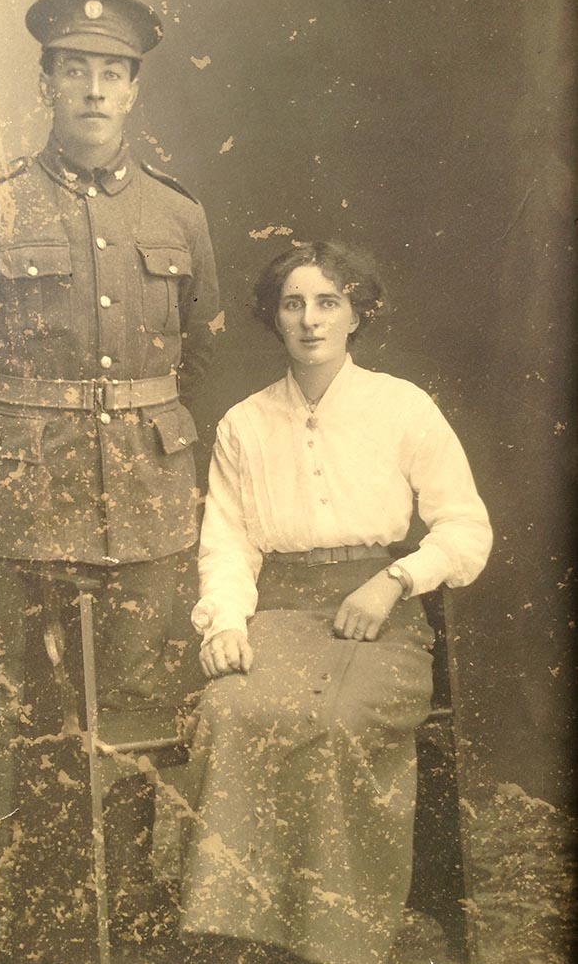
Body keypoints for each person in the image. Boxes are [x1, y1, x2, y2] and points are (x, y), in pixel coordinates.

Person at [0, 0, 219, 963]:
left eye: (112, 71)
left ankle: (126, 926)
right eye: (75, 69)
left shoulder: (177, 213)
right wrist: (21, 448)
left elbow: (200, 360)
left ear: (133, 90)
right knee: (39, 727)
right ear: (45, 82)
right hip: (29, 511)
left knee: (134, 728)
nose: (94, 87)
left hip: (146, 510)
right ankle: (43, 927)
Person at [179, 240, 492, 964]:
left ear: (357, 314)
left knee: (334, 718)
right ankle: (248, 937)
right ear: (274, 318)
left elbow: (464, 529)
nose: (310, 320)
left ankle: (339, 937)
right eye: (293, 304)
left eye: (329, 302)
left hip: (380, 622)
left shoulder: (400, 406)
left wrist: (395, 580)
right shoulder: (243, 424)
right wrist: (225, 622)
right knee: (230, 710)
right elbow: (227, 544)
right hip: (279, 615)